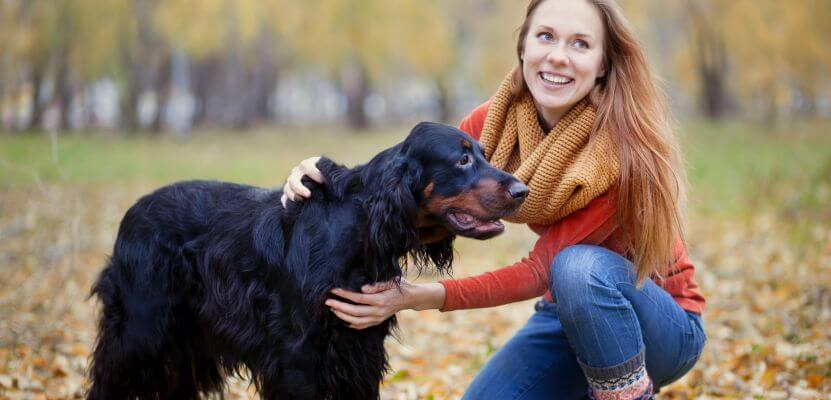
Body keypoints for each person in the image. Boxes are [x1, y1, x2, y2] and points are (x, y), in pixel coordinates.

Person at [281, 0, 705, 398]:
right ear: (523, 48)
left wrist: (419, 296)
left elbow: (542, 270)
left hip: (662, 322)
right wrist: (326, 176)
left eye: (580, 44)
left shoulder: (621, 153)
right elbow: (414, 175)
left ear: (602, 65)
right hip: (565, 318)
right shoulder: (493, 125)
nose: (558, 55)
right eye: (546, 37)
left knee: (577, 268)